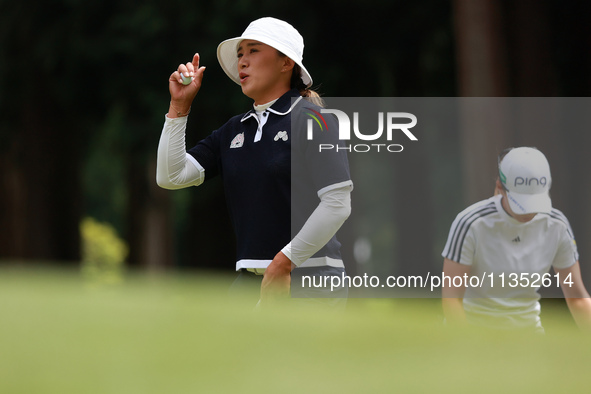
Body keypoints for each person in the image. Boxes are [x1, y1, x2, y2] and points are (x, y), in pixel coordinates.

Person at [156, 17, 353, 305]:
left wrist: (284, 262)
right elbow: (170, 176)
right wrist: (179, 107)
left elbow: (337, 203)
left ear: (286, 63)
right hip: (248, 281)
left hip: (311, 280)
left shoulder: (315, 120)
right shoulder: (235, 130)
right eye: (240, 54)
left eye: (253, 50)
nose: (242, 62)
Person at [441, 147, 591, 332]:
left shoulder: (557, 225)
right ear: (500, 187)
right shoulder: (470, 223)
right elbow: (451, 299)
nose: (529, 211)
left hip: (529, 335)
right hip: (473, 333)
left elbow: (577, 298)